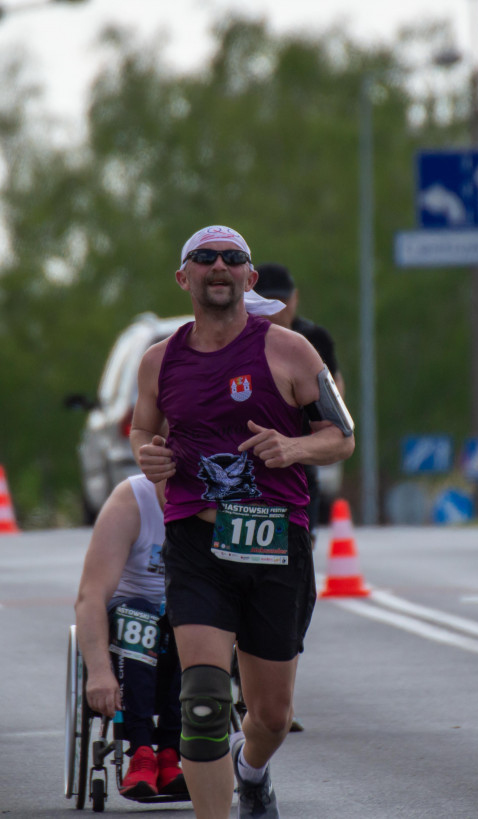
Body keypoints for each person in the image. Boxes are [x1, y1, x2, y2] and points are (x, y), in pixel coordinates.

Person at [130, 226, 355, 819]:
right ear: (185, 278)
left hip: (275, 543)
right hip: (197, 541)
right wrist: (149, 455)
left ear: (250, 279)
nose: (219, 266)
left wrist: (293, 448)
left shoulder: (291, 351)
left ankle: (251, 770)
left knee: (272, 715)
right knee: (202, 701)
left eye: (234, 258)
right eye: (205, 258)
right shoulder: (158, 361)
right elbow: (141, 429)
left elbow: (342, 436)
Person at [74, 475, 186, 800]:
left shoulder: (219, 501)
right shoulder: (130, 501)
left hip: (183, 613)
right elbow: (90, 595)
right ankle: (141, 753)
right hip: (128, 616)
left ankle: (170, 754)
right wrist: (97, 672)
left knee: (190, 614)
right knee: (138, 614)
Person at [253, 262, 345, 541]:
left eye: (281, 300)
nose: (277, 309)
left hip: (299, 451)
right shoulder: (239, 339)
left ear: (294, 299)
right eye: (268, 301)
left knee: (300, 542)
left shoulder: (314, 338)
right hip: (248, 453)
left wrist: (323, 430)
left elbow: (336, 390)